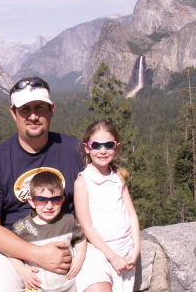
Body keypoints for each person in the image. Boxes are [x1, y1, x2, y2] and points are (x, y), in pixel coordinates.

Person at [0, 76, 84, 292]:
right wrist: (36, 254)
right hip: (10, 249)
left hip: (67, 239)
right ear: (13, 113)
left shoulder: (75, 151)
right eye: (25, 109)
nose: (33, 116)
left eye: (39, 107)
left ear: (52, 109)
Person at [74, 119, 140, 292]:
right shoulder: (83, 182)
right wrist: (112, 257)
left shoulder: (118, 177)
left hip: (126, 251)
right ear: (87, 148)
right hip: (100, 253)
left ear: (116, 148)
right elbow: (86, 227)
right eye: (96, 145)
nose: (102, 151)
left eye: (108, 145)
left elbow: (131, 215)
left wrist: (136, 249)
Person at [9, 171, 87, 292]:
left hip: (69, 286)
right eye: (41, 199)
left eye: (55, 199)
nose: (49, 206)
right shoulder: (22, 227)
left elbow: (80, 238)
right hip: (37, 287)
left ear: (62, 200)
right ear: (31, 202)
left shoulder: (68, 221)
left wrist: (80, 257)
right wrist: (22, 269)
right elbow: (10, 249)